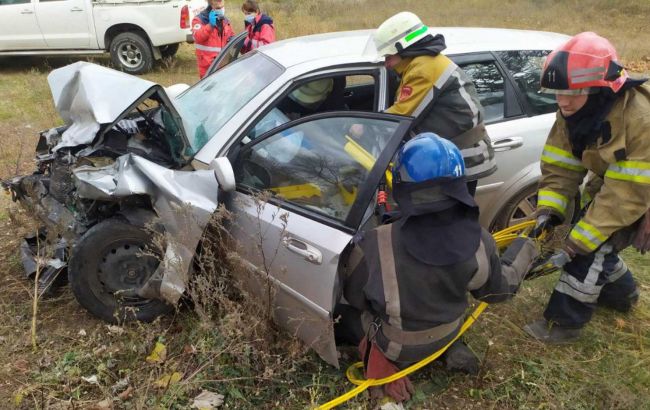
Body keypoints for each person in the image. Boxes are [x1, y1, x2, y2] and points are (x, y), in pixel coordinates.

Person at [338, 133, 539, 403]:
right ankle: (451, 348)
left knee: (340, 313)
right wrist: (526, 246)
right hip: (447, 331)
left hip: (395, 346)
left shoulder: (376, 243)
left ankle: (383, 359)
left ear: (401, 186)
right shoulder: (480, 241)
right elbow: (497, 292)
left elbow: (356, 297)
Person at [523, 32, 650, 343]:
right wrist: (549, 212)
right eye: (557, 92)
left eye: (572, 92)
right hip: (619, 184)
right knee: (600, 246)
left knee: (589, 248)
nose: (562, 101)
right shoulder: (575, 111)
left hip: (639, 190)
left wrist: (574, 244)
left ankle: (563, 325)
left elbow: (625, 196)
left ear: (600, 89)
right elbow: (560, 164)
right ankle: (624, 295)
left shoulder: (640, 121)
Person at [372, 12, 497, 192]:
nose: (387, 64)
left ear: (403, 49)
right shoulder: (422, 63)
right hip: (451, 157)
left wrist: (364, 125)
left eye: (388, 57)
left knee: (452, 218)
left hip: (461, 158)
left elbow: (402, 118)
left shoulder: (424, 69)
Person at [192, 0, 235, 78]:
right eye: (218, 6)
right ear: (210, 2)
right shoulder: (199, 19)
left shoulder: (224, 20)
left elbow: (230, 37)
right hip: (208, 69)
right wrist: (210, 26)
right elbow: (198, 37)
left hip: (223, 66)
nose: (221, 8)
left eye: (222, 7)